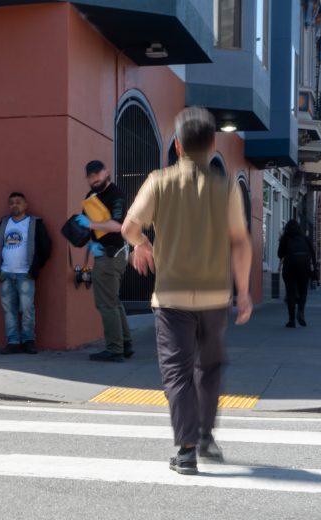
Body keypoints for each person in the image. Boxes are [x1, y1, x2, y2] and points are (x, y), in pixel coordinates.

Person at [121, 106, 252, 476]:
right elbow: (240, 243)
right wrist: (243, 291)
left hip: (171, 297)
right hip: (214, 296)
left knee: (177, 372)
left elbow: (129, 226)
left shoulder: (158, 181)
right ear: (212, 145)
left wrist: (141, 245)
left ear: (177, 145)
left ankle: (187, 449)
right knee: (208, 368)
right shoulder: (224, 188)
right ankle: (206, 436)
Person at [79, 160, 133, 362]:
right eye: (90, 176)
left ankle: (114, 349)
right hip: (102, 254)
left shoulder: (116, 194)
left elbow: (117, 226)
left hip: (112, 255)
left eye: (97, 174)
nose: (94, 179)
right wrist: (85, 235)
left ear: (106, 172)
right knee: (114, 301)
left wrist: (90, 223)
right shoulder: (90, 197)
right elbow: (87, 227)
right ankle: (125, 344)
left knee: (105, 303)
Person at [0, 192, 52, 355]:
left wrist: (36, 267)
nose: (14, 205)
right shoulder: (3, 223)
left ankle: (28, 341)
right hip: (6, 273)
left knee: (27, 308)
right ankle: (13, 342)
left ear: (26, 205)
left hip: (25, 274)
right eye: (11, 203)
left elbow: (45, 246)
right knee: (9, 310)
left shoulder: (34, 223)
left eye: (18, 202)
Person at [278, 219, 317, 327]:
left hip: (290, 266)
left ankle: (291, 320)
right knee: (303, 291)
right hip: (304, 266)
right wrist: (314, 270)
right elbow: (312, 254)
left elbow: (280, 254)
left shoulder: (285, 238)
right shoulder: (305, 238)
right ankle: (301, 311)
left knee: (290, 292)